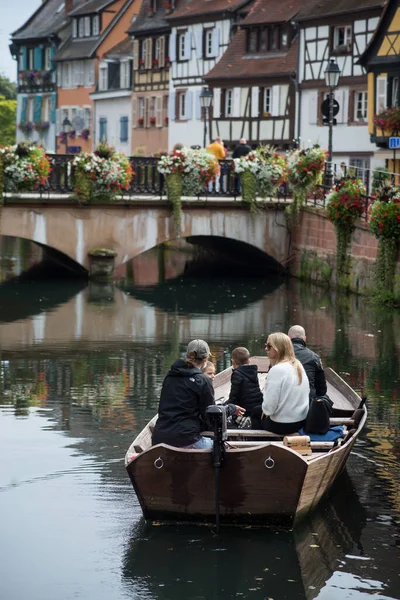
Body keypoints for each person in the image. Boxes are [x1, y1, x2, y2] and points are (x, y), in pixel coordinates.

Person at [152, 339, 244, 449]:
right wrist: (230, 409)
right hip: (186, 439)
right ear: (206, 359)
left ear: (188, 355)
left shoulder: (170, 376)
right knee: (223, 450)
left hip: (159, 439)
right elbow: (210, 416)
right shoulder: (203, 380)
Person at [251, 332, 309, 434]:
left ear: (278, 349)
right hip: (301, 421)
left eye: (269, 346)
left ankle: (259, 445)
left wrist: (265, 410)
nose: (265, 349)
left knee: (256, 412)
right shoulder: (298, 365)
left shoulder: (277, 370)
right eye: (266, 346)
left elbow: (269, 409)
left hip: (282, 425)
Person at [287, 325, 327, 400]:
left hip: (284, 402)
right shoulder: (314, 357)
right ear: (304, 339)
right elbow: (322, 390)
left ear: (288, 338)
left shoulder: (280, 355)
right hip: (307, 401)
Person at [228, 347, 263, 417]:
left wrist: (229, 408)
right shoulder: (253, 371)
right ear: (249, 361)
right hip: (258, 405)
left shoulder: (237, 374)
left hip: (245, 410)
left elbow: (234, 395)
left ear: (233, 362)